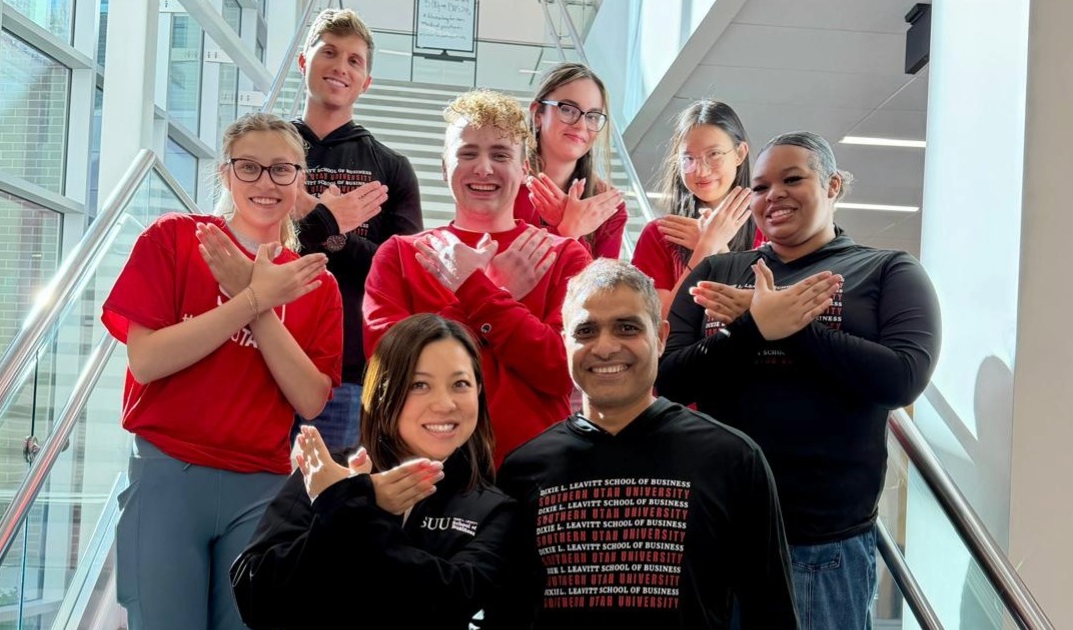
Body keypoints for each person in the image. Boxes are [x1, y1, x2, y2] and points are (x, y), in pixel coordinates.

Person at [658, 131, 942, 629]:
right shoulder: (718, 271)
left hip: (821, 547)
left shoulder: (886, 270)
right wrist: (753, 327)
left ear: (832, 185)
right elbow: (672, 380)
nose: (774, 196)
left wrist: (791, 329)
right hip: (714, 534)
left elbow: (902, 378)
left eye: (792, 179)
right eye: (761, 186)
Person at [102, 113, 343, 630]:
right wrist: (253, 298)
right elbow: (147, 361)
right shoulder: (173, 239)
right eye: (249, 167)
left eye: (282, 170)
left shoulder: (315, 283)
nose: (265, 183)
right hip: (169, 473)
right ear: (226, 173)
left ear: (300, 180)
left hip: (260, 487)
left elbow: (310, 399)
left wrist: (258, 304)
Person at [491, 258, 800, 629]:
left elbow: (771, 612)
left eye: (627, 327)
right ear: (565, 342)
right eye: (586, 331)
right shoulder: (523, 470)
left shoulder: (732, 458)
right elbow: (506, 616)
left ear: (661, 337)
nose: (605, 347)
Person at [231, 314, 516, 629]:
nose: (445, 404)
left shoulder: (495, 509)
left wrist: (352, 508)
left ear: (479, 391)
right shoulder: (328, 472)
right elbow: (256, 600)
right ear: (383, 392)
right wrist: (341, 508)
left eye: (460, 384)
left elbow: (448, 604)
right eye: (419, 385)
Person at [363, 89, 591, 461]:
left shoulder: (564, 256)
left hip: (535, 470)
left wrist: (479, 293)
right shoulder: (400, 255)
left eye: (500, 155)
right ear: (444, 167)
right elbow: (392, 370)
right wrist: (493, 291)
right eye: (467, 153)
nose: (483, 168)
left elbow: (563, 370)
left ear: (524, 169)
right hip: (426, 472)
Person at [291, 8, 423, 451]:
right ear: (304, 61)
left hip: (345, 370)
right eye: (329, 52)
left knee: (331, 492)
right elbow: (245, 243)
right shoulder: (268, 152)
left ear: (366, 81)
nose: (340, 67)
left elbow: (401, 274)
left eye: (354, 60)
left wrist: (328, 231)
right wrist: (327, 223)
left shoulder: (391, 167)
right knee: (255, 493)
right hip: (257, 350)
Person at [631, 99, 766, 320]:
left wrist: (720, 250)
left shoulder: (769, 226)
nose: (701, 171)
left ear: (740, 154)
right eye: (689, 158)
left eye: (714, 154)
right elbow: (658, 324)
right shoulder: (660, 234)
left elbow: (772, 316)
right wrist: (706, 247)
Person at [519, 62, 626, 259]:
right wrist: (569, 230)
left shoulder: (608, 206)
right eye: (568, 110)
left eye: (593, 116)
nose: (581, 125)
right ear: (537, 114)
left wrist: (569, 229)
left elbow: (603, 280)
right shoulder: (506, 184)